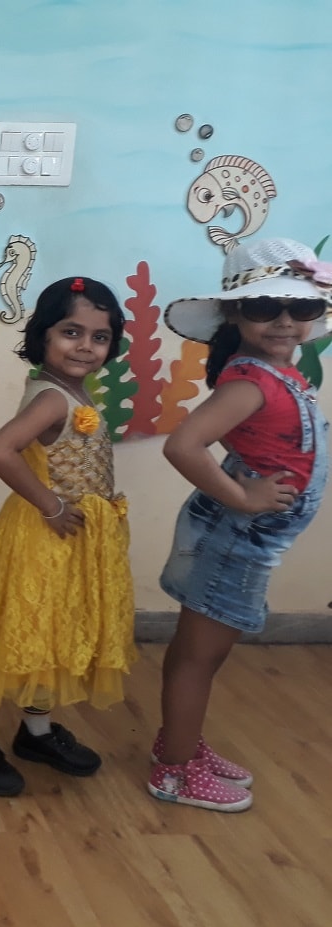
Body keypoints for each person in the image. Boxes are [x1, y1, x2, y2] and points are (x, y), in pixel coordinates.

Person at [152, 238, 330, 813]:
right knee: (200, 656)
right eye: (264, 306)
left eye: (302, 307)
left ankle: (179, 741)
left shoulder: (276, 372)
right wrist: (243, 497)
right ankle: (174, 771)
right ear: (234, 313)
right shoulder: (251, 382)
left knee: (198, 651)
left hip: (243, 543)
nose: (284, 321)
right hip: (235, 541)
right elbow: (183, 445)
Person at [0, 276, 135, 797]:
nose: (85, 346)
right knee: (9, 639)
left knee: (50, 635)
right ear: (43, 335)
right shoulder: (53, 399)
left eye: (99, 336)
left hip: (69, 544)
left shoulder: (71, 390)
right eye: (71, 332)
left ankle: (36, 732)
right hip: (41, 538)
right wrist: (51, 505)